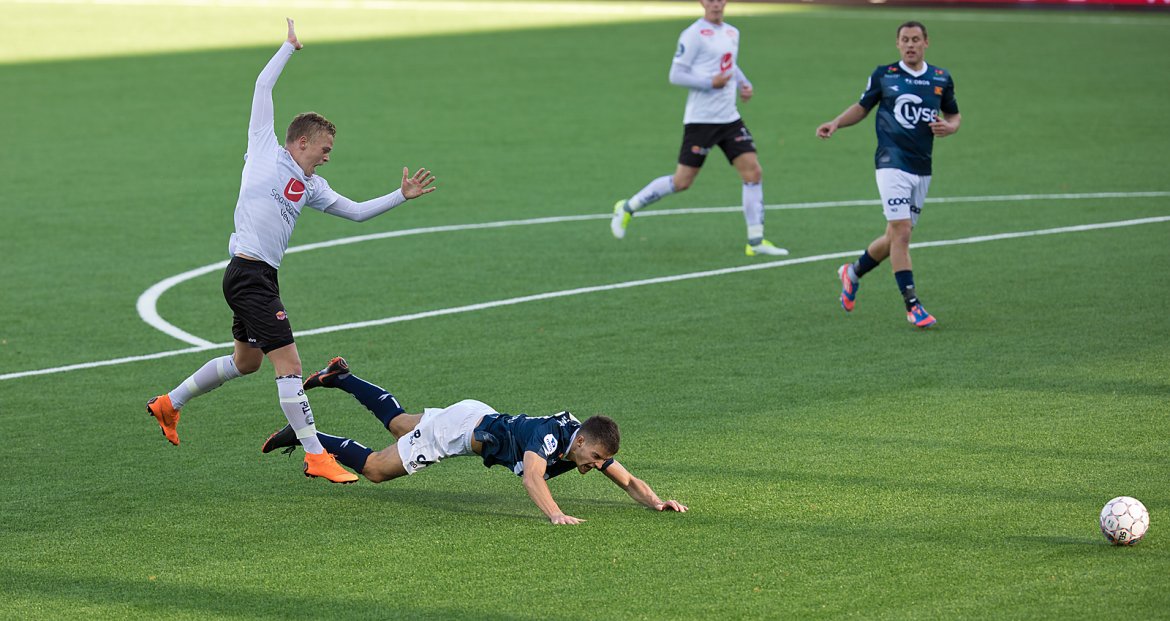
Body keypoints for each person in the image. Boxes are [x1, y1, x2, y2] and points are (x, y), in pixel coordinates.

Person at [145, 19, 436, 484]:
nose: (327, 155)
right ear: (301, 141)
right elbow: (262, 84)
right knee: (292, 366)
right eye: (324, 147)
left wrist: (400, 196)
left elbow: (357, 212)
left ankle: (169, 403)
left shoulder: (313, 186)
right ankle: (316, 454)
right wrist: (288, 47)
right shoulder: (263, 147)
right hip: (248, 274)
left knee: (247, 362)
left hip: (258, 277)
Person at [261, 357, 689, 524]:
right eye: (595, 458)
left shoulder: (582, 445)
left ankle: (342, 378)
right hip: (459, 433)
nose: (597, 466)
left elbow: (627, 479)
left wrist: (656, 501)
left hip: (475, 414)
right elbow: (532, 480)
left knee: (400, 425)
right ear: (580, 442)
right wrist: (557, 515)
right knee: (375, 468)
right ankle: (306, 436)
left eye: (601, 462)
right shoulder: (546, 441)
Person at [610, 0, 787, 257]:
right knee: (682, 182)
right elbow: (676, 74)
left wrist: (743, 83)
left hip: (729, 118)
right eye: (710, 0)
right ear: (703, 2)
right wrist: (709, 82)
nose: (715, 4)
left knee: (753, 171)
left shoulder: (732, 32)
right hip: (701, 121)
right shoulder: (693, 34)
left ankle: (755, 240)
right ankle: (627, 207)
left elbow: (729, 64)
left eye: (719, 0)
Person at [816, 21, 961, 328]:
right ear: (897, 44)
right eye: (905, 40)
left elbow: (954, 114)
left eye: (916, 40)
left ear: (926, 43)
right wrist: (836, 123)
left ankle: (852, 272)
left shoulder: (940, 78)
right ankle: (913, 305)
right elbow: (862, 106)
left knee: (893, 236)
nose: (910, 45)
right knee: (902, 231)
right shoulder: (885, 75)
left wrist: (950, 127)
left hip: (922, 167)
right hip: (890, 162)